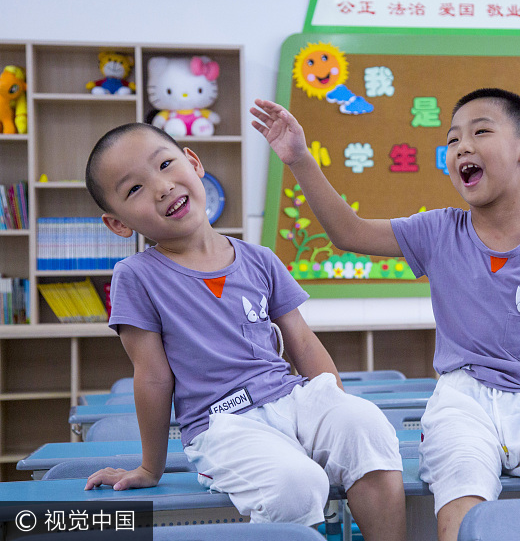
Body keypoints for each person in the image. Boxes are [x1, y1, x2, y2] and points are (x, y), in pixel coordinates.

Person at [251, 88, 520, 541]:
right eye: (452, 139)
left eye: (480, 131)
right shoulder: (439, 229)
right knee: (461, 482)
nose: (461, 146)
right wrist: (300, 158)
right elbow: (348, 232)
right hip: (462, 402)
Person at [81, 123, 405, 540]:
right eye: (134, 190)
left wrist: (332, 416)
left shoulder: (259, 258)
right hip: (223, 425)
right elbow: (153, 376)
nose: (161, 187)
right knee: (295, 483)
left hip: (290, 398)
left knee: (365, 424)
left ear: (193, 162)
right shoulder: (136, 277)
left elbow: (302, 343)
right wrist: (151, 466)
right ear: (118, 224)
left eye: (165, 164)